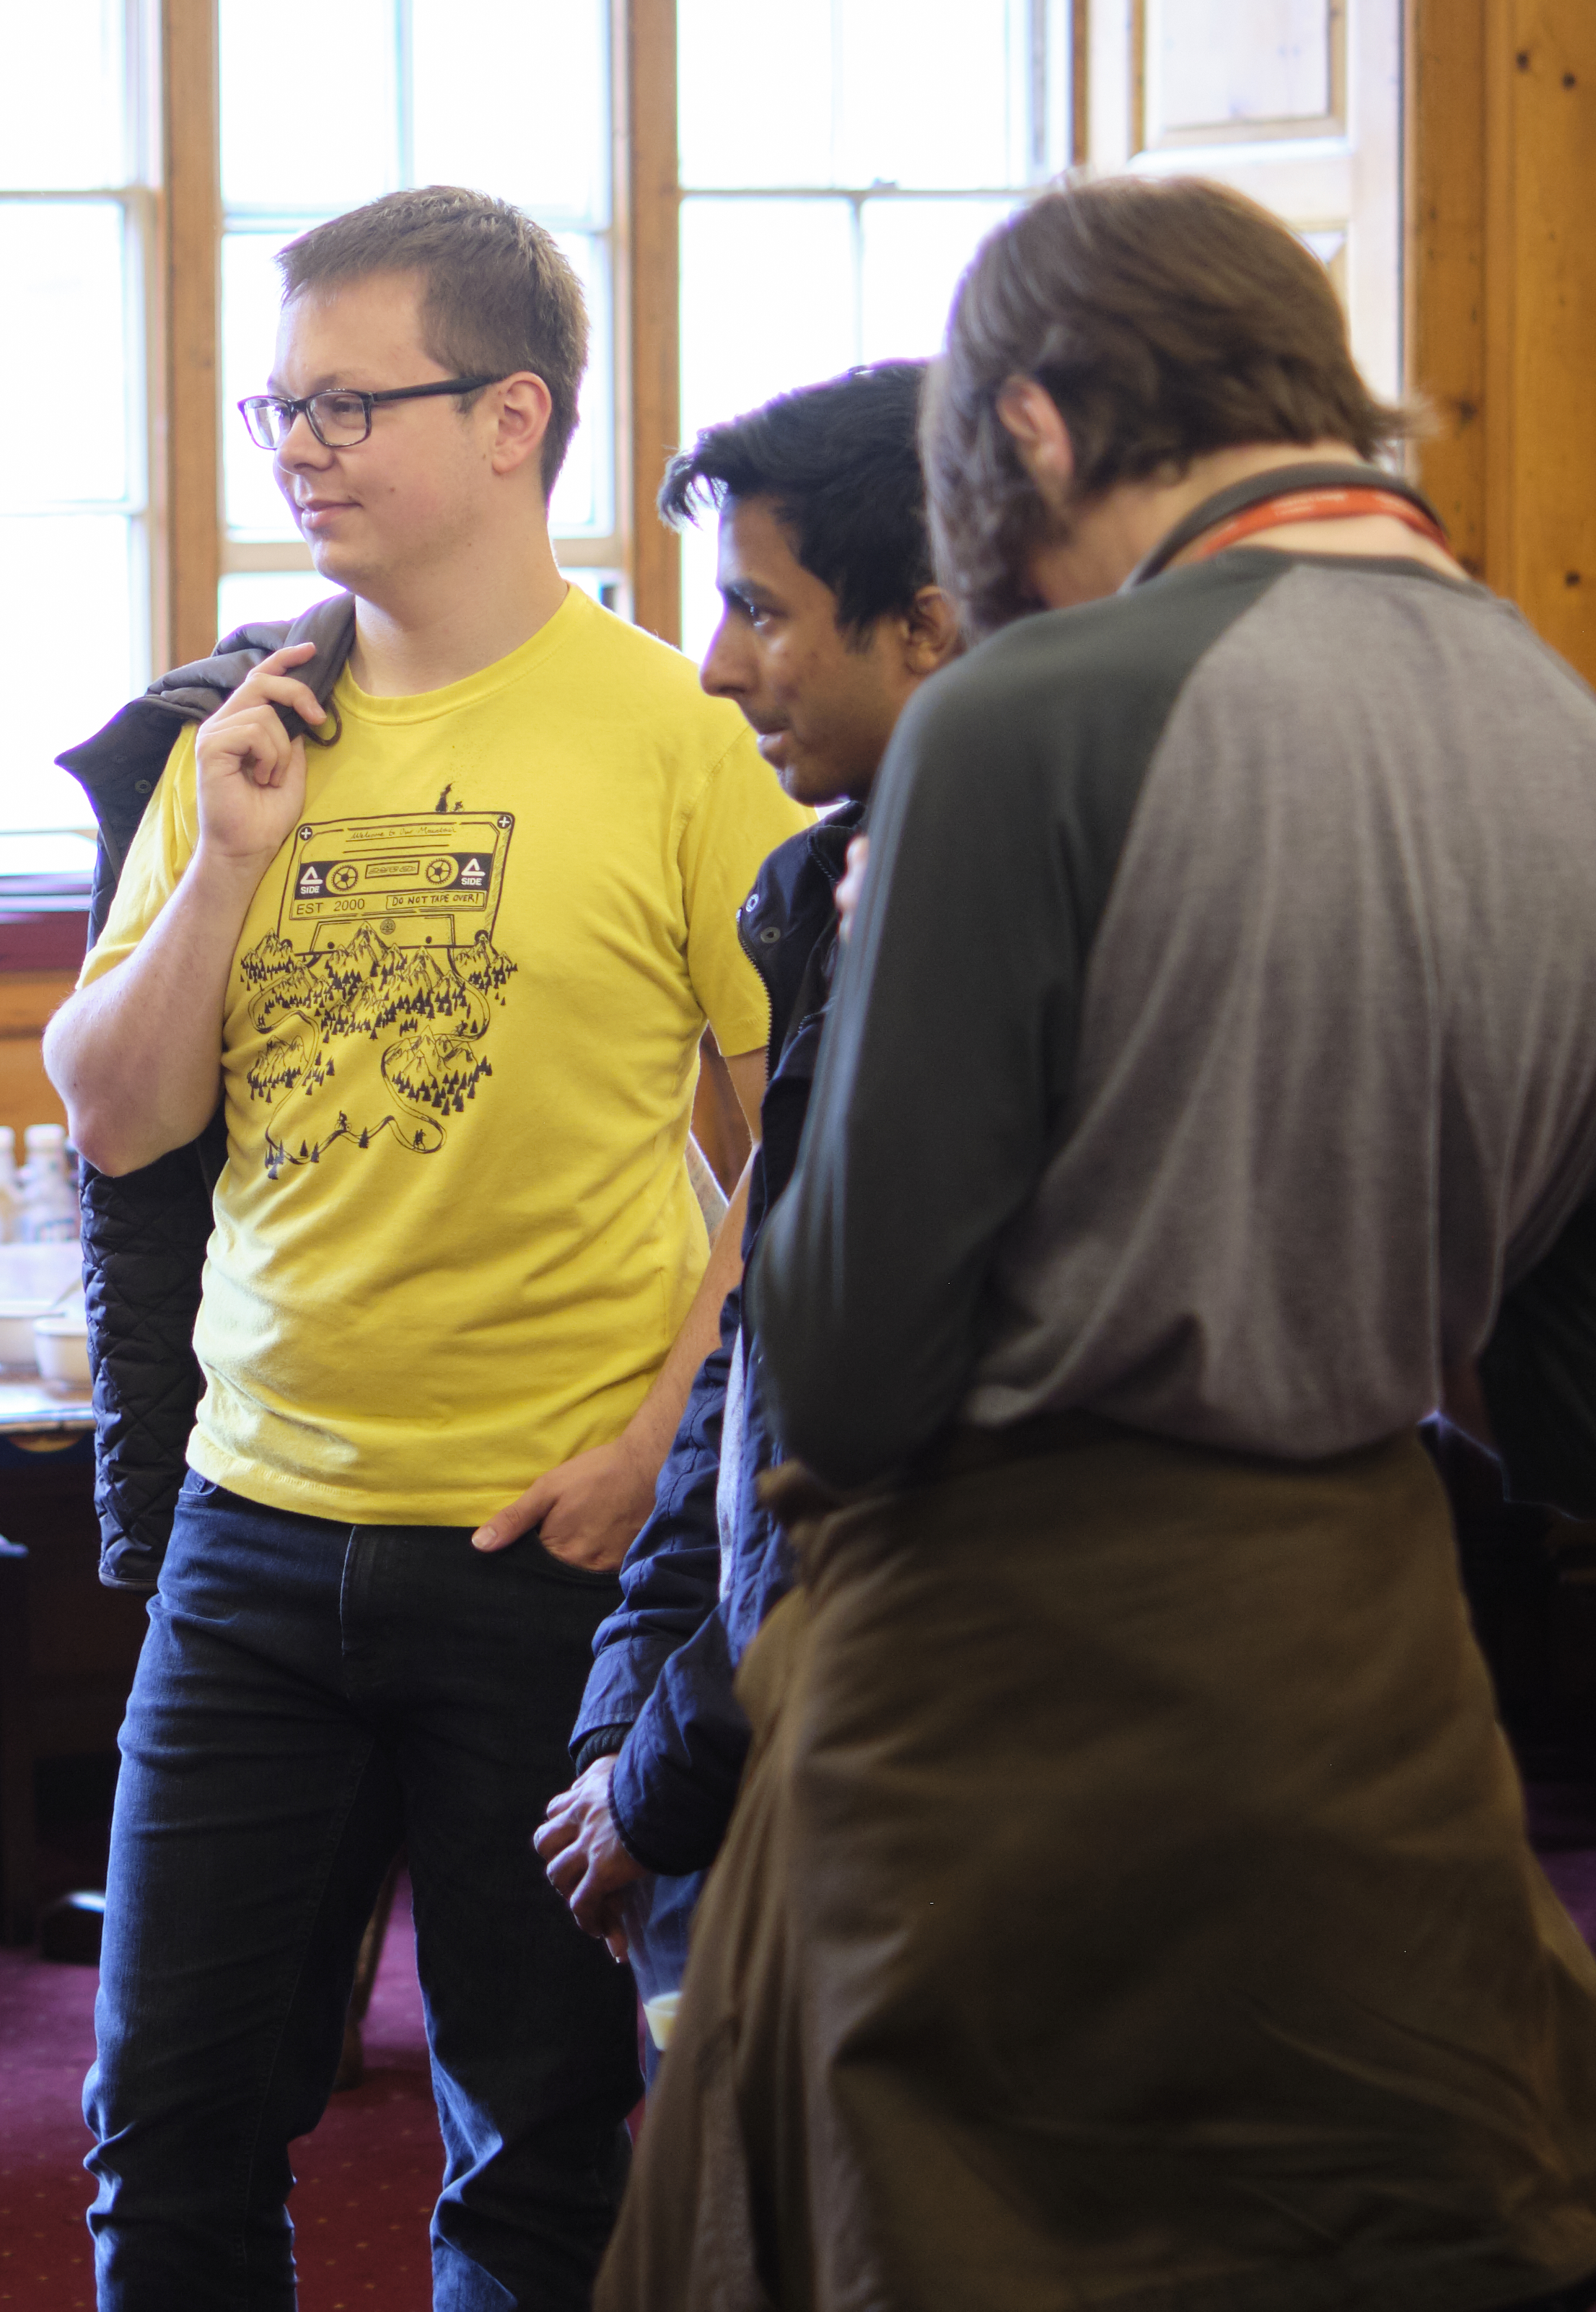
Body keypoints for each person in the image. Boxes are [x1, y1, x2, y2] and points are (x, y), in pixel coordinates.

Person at [602, 172, 1596, 2309]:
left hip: (1003, 1727)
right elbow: (1583, 1427)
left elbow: (839, 1372)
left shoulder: (1027, 728)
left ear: (1026, 436)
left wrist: (856, 972)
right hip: (1369, 1712)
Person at [48, 185, 807, 2308]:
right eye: (277, 404)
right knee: (169, 2126)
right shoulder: (251, 724)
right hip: (255, 1531)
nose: (299, 446)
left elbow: (804, 1147)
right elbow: (119, 1112)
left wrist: (665, 1442)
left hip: (546, 1558)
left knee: (539, 2144)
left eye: (347, 402)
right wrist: (223, 861)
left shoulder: (679, 734)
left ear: (511, 419)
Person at [532, 365, 957, 2021]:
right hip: (739, 1749)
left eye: (758, 611)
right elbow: (752, 1358)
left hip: (900, 1787)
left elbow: (864, 1464)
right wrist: (622, 1716)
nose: (715, 665)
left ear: (923, 625)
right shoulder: (816, 895)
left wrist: (656, 1776)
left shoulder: (995, 939)